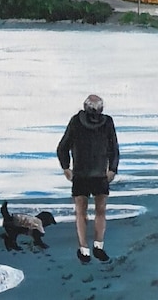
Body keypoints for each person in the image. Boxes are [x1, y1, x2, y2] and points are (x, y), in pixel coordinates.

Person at [57, 93, 120, 264]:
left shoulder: (76, 121)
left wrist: (66, 168)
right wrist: (112, 169)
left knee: (81, 213)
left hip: (81, 174)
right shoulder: (107, 122)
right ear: (101, 109)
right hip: (99, 174)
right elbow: (114, 148)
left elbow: (62, 147)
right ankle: (98, 246)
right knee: (100, 212)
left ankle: (84, 249)